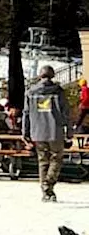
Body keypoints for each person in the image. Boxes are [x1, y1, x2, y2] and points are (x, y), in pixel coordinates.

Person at [22, 65, 71, 202]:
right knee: (56, 158)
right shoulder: (58, 91)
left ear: (40, 76)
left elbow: (26, 113)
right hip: (55, 130)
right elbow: (66, 112)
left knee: (43, 161)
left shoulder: (30, 92)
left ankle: (46, 191)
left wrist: (25, 132)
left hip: (37, 131)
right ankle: (48, 184)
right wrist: (70, 132)